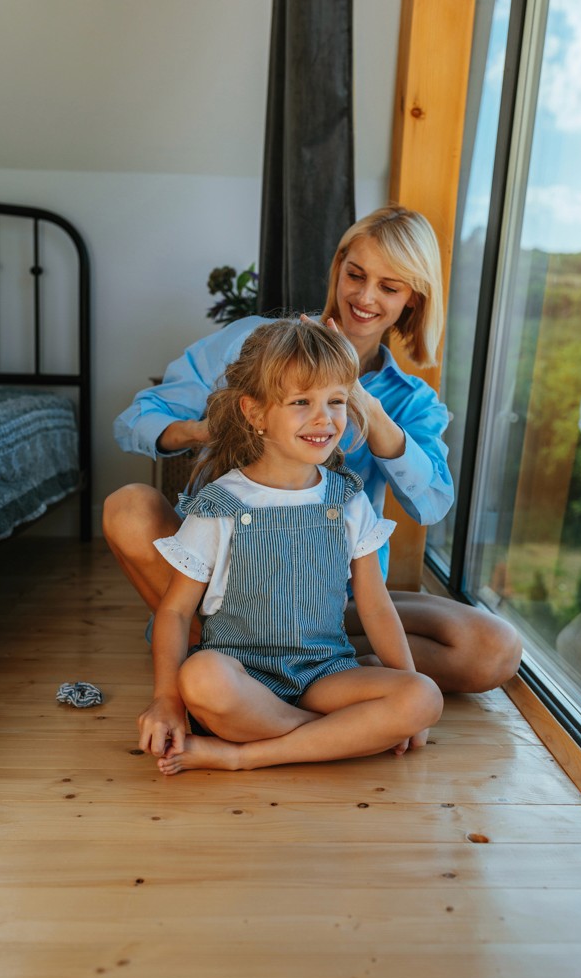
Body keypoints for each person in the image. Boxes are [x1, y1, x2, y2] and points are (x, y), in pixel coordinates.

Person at [104, 205, 521, 703]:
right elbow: (135, 419)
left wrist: (368, 407)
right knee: (127, 508)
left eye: (389, 287)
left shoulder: (413, 401)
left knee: (495, 650)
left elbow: (431, 504)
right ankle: (239, 664)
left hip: (336, 599)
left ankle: (291, 679)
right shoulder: (253, 343)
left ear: (413, 299)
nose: (365, 298)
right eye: (356, 275)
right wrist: (206, 428)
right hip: (227, 589)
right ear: (338, 267)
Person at [140, 317, 444, 773]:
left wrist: (404, 682)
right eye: (302, 402)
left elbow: (376, 607)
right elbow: (176, 612)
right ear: (255, 413)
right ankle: (340, 735)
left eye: (336, 401)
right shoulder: (221, 504)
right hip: (242, 676)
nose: (324, 418)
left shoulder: (347, 499)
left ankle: (242, 755)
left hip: (326, 673)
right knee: (199, 678)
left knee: (424, 695)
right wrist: (166, 699)